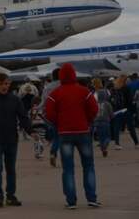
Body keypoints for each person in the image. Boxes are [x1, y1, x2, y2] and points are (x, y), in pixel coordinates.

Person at [46, 63, 100, 209]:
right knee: (88, 166)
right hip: (83, 131)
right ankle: (91, 198)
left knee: (68, 168)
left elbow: (49, 113)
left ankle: (71, 201)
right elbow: (94, 108)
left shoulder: (56, 93)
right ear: (74, 75)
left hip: (64, 134)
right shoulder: (84, 91)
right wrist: (87, 120)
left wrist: (58, 123)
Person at [0, 73, 33, 208]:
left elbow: (23, 117)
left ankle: (10, 195)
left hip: (11, 139)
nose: (5, 86)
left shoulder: (15, 100)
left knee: (11, 169)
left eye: (7, 84)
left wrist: (31, 131)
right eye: (2, 84)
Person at [110, 75, 138, 149]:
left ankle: (117, 144)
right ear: (125, 80)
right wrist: (133, 111)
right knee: (131, 127)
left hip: (117, 110)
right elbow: (130, 100)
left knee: (117, 127)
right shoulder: (127, 88)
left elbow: (111, 100)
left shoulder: (114, 89)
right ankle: (136, 143)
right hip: (126, 109)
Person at [39, 72, 61, 167]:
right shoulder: (63, 85)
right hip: (62, 114)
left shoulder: (47, 87)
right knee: (63, 137)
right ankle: (59, 154)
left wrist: (39, 110)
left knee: (56, 135)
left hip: (50, 115)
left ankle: (53, 152)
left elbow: (43, 102)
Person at [93, 83, 113, 157]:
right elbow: (111, 114)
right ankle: (105, 145)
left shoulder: (95, 104)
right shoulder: (107, 104)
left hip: (97, 122)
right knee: (107, 136)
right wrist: (111, 117)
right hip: (106, 122)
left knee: (100, 137)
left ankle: (103, 148)